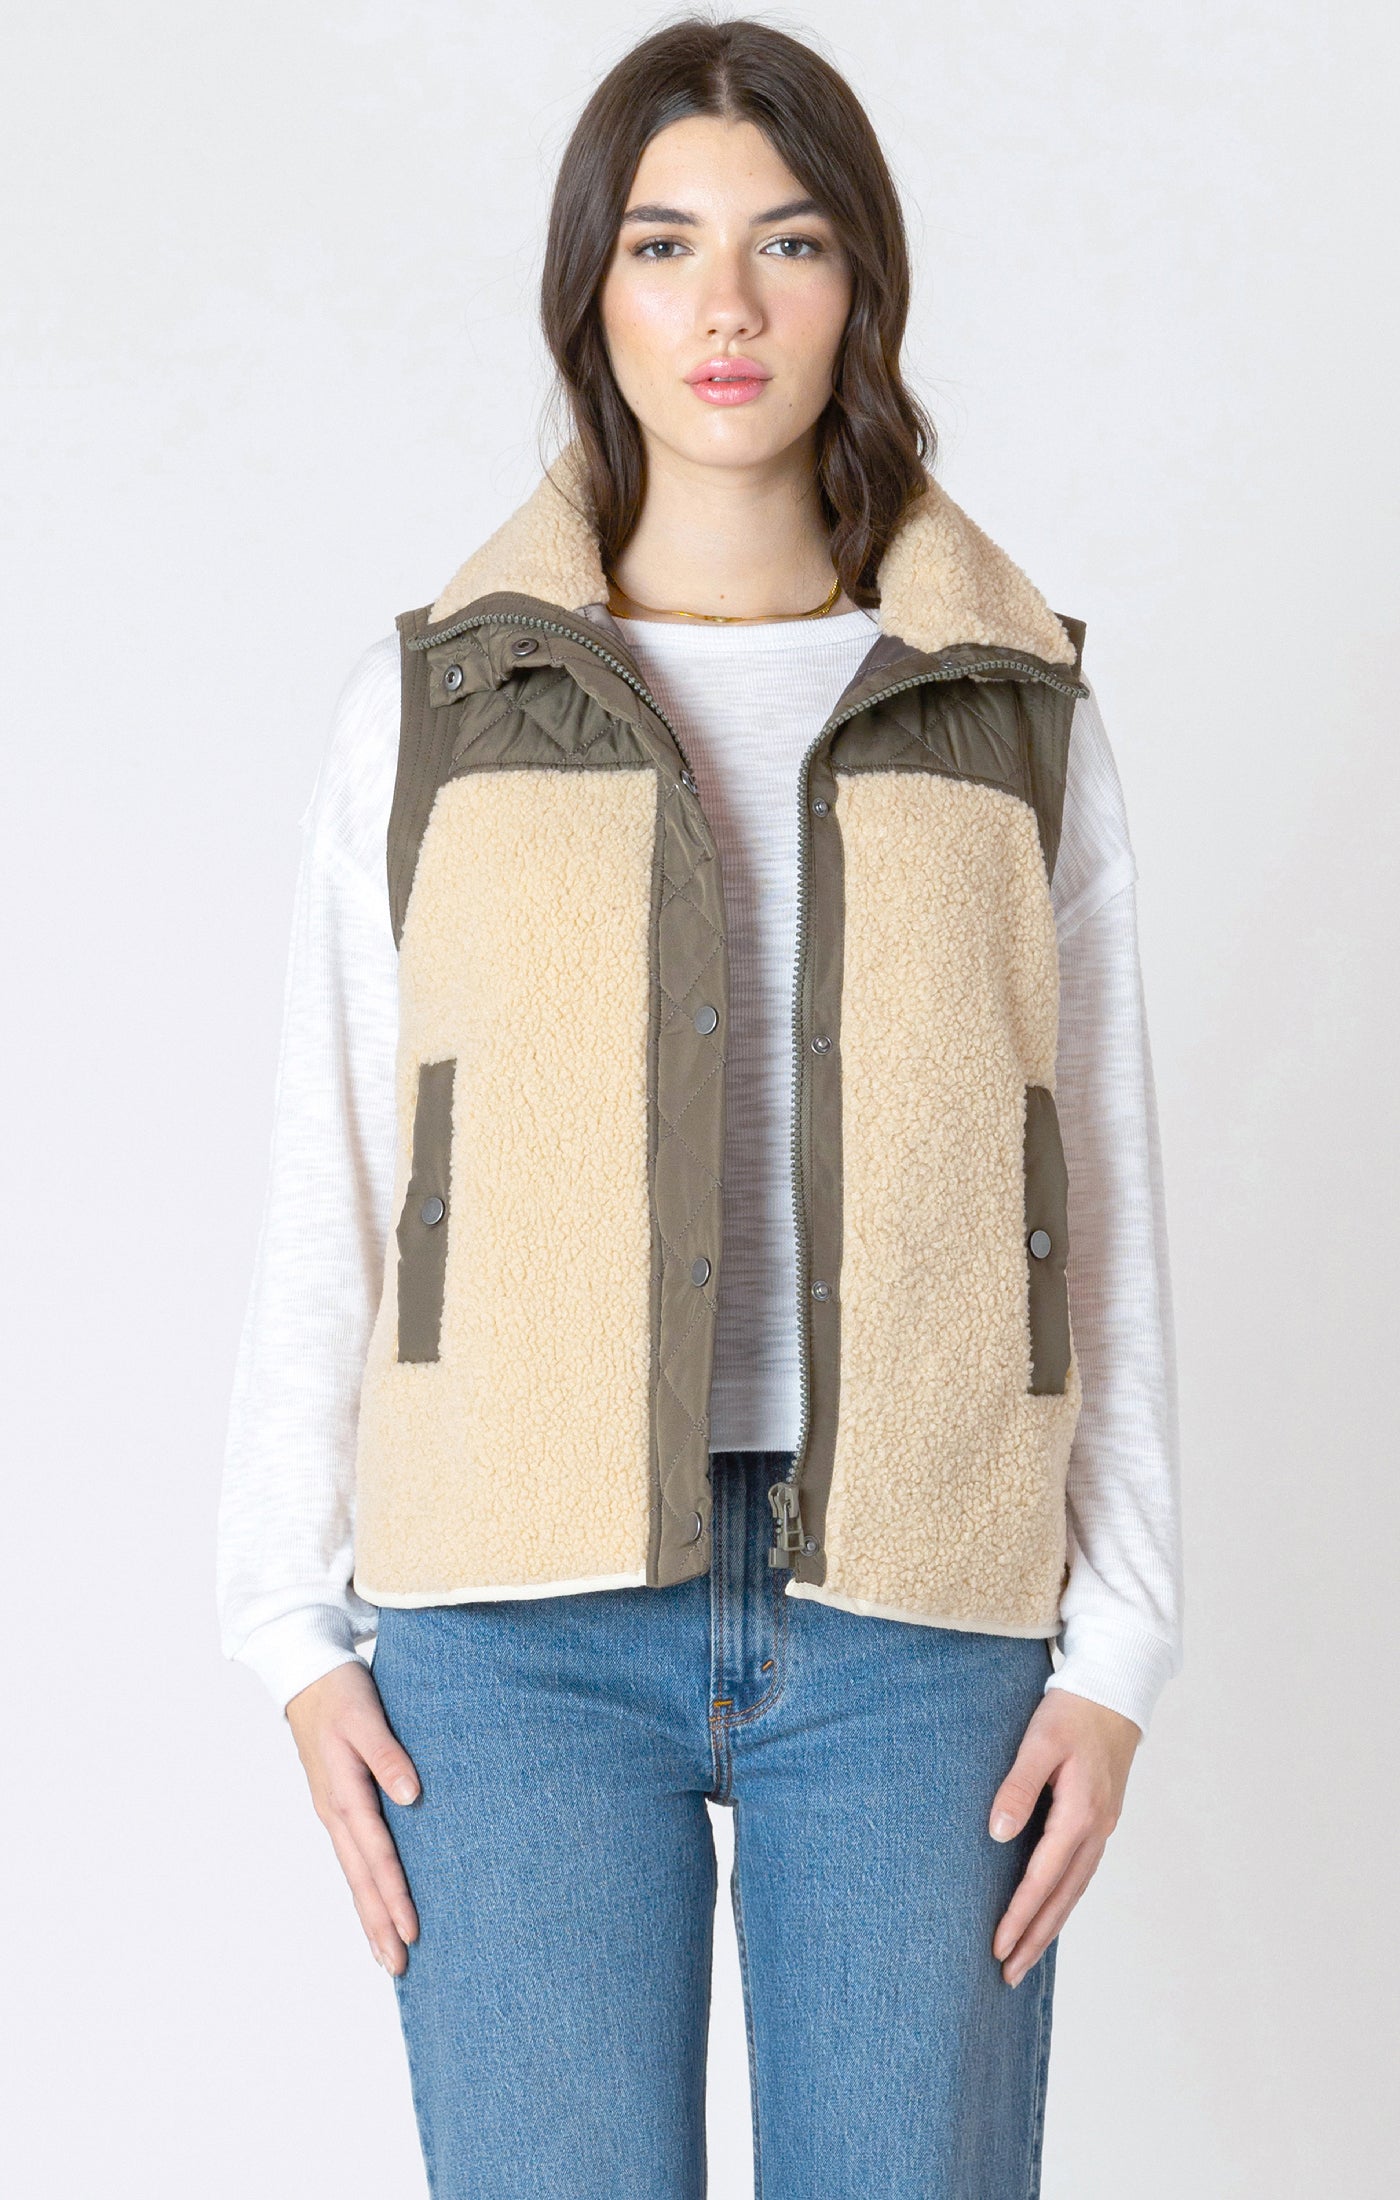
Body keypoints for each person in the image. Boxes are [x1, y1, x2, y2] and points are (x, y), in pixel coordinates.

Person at [216, 17, 1182, 2197]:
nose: (725, 304)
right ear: (594, 290)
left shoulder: (1013, 706)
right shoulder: (437, 702)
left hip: (919, 1613)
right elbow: (340, 1162)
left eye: (788, 240)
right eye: (664, 244)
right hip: (512, 1629)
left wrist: (1119, 1644)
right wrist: (289, 1628)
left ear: (861, 289)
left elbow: (1097, 1183)